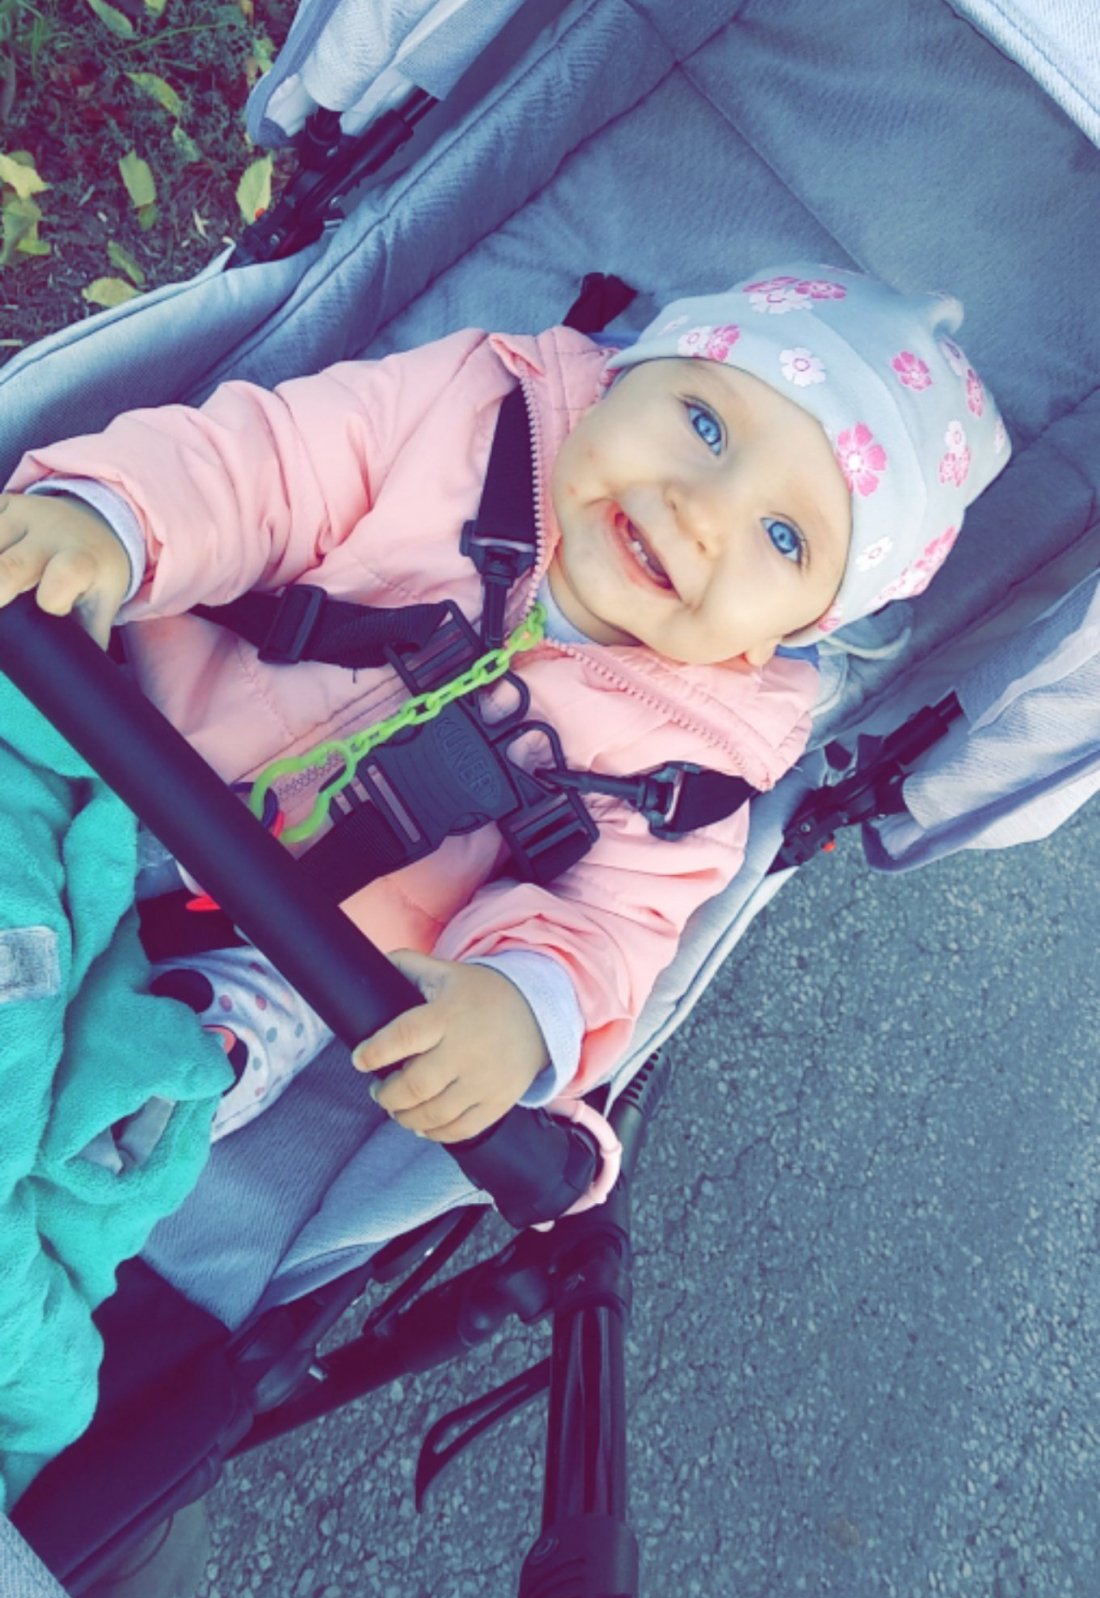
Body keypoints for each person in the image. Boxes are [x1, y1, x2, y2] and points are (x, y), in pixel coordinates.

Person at [0, 264, 1009, 1150]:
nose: (701, 511)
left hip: (293, 946)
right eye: (704, 424)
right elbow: (260, 468)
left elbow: (607, 930)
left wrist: (519, 1007)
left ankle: (105, 1122)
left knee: (209, 1060)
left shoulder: (693, 771)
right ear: (621, 376)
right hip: (108, 727)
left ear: (782, 634)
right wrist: (118, 524)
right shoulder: (470, 417)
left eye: (783, 537)